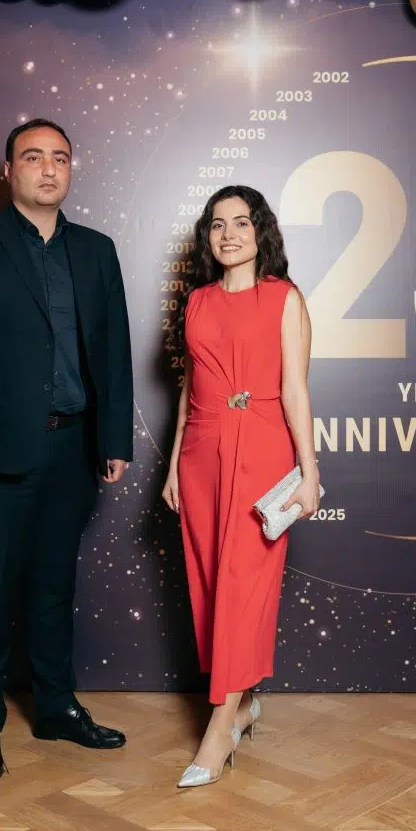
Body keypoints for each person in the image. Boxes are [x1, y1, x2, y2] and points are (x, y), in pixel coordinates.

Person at [0, 118, 135, 783]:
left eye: (60, 158)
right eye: (34, 157)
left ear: (71, 169)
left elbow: (113, 350)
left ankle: (55, 708)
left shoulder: (97, 250)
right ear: (8, 170)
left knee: (53, 589)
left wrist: (114, 438)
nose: (49, 169)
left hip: (74, 450)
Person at [160, 184, 320, 788]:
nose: (229, 234)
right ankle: (246, 703)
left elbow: (296, 389)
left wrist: (310, 471)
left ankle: (219, 729)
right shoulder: (198, 301)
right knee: (209, 584)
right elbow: (188, 389)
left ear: (261, 232)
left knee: (242, 586)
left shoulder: (284, 298)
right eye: (218, 224)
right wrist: (173, 465)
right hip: (201, 452)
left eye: (242, 223)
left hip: (261, 451)